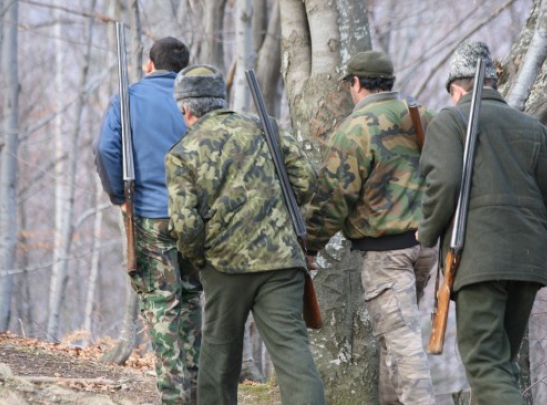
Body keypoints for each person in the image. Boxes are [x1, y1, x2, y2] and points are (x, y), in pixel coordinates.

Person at [417, 41, 547, 405]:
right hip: (527, 264)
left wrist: (426, 231)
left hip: (478, 260)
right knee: (501, 366)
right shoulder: (535, 130)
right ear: (494, 85)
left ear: (455, 90)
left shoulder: (451, 120)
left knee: (484, 365)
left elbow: (444, 182)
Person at [165, 64, 326, 405]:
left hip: (225, 266)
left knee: (219, 360)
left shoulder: (182, 152)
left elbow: (185, 224)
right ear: (219, 99)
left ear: (186, 108)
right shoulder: (264, 127)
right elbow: (307, 181)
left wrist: (199, 259)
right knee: (293, 355)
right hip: (282, 261)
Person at [303, 50, 437, 405]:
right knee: (394, 339)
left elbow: (332, 199)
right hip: (427, 246)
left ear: (357, 83)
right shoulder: (424, 117)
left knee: (402, 342)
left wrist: (309, 247)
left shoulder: (355, 130)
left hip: (387, 254)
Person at [94, 37, 202, 405]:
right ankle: (197, 388)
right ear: (183, 68)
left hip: (149, 215)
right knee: (190, 299)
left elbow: (106, 148)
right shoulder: (195, 102)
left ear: (148, 65)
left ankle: (175, 397)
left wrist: (118, 197)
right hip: (192, 218)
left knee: (162, 304)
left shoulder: (129, 98)